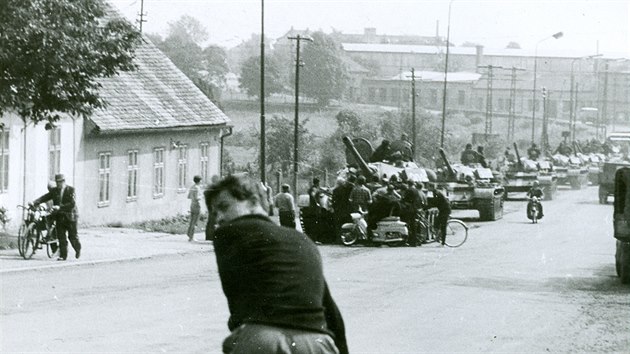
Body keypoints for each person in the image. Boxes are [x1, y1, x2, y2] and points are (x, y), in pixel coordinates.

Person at [204, 175, 348, 354]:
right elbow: (330, 310)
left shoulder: (228, 233)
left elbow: (237, 303)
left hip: (262, 339)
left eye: (224, 207)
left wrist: (240, 339)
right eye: (215, 213)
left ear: (253, 201)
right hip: (317, 341)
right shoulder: (302, 240)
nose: (219, 218)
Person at [32, 174, 81, 261]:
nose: (59, 184)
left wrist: (60, 207)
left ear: (64, 181)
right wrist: (36, 202)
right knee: (61, 236)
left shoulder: (71, 190)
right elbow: (45, 197)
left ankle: (77, 249)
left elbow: (72, 204)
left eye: (60, 182)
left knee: (72, 236)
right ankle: (63, 255)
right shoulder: (54, 191)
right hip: (60, 217)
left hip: (71, 217)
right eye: (57, 182)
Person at [187, 175, 203, 242]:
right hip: (197, 205)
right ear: (199, 181)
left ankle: (189, 234)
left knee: (192, 220)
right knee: (195, 221)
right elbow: (197, 198)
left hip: (192, 204)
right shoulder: (197, 188)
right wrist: (201, 196)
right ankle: (191, 237)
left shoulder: (192, 187)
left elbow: (188, 196)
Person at [205, 175, 220, 241]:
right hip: (213, 205)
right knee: (213, 220)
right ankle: (210, 236)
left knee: (211, 221)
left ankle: (208, 236)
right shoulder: (213, 187)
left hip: (210, 205)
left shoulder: (210, 187)